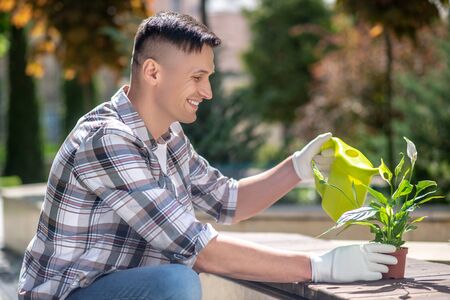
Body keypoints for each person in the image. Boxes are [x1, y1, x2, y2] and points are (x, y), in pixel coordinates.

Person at [18, 11, 397, 300]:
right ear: (152, 72)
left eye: (209, 77)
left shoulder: (167, 134)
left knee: (176, 275)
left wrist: (298, 166)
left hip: (114, 287)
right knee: (176, 279)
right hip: (68, 295)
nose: (208, 91)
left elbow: (227, 200)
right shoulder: (107, 140)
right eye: (198, 77)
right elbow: (199, 250)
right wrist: (321, 267)